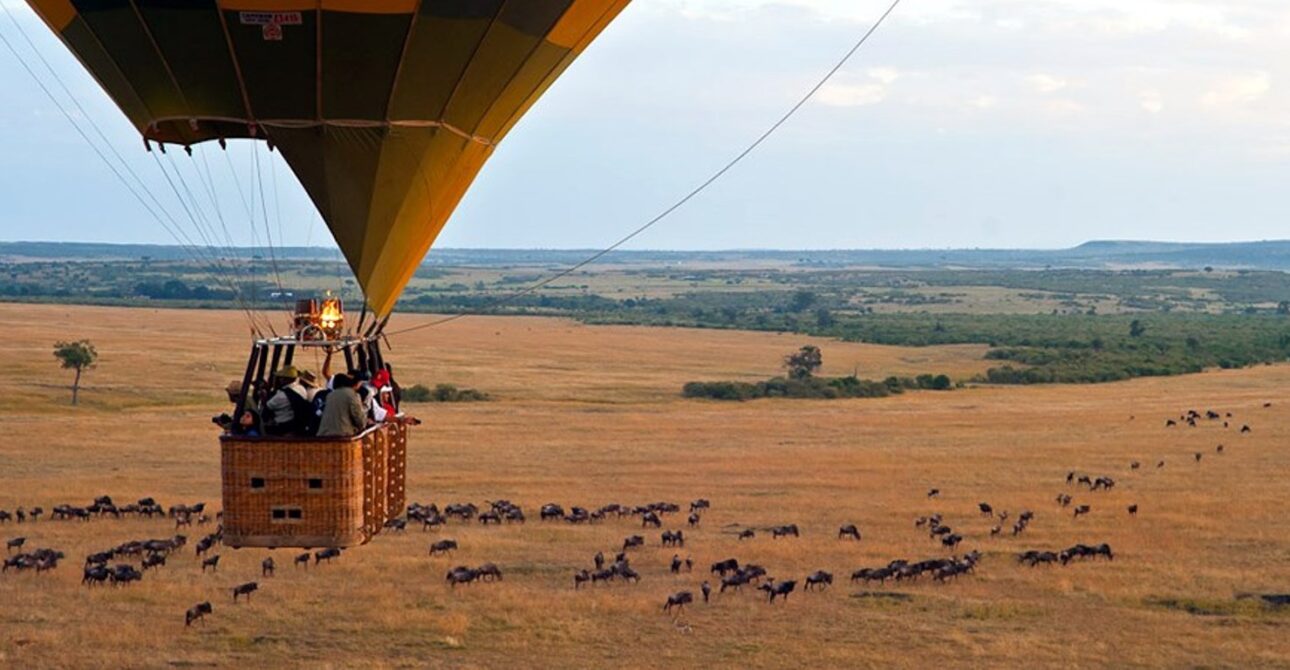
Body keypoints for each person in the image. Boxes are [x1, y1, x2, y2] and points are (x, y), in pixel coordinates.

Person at [265, 366, 314, 436]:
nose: (280, 380)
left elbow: (267, 407)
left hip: (282, 426)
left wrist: (263, 396)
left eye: (282, 378)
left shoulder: (281, 396)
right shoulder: (301, 388)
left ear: (287, 379)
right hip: (297, 424)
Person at [317, 373, 369, 438]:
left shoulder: (330, 395)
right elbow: (360, 420)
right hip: (343, 435)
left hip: (324, 434)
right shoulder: (352, 395)